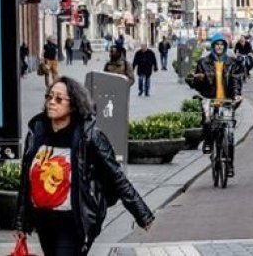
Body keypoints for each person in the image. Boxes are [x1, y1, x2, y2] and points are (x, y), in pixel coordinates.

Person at [15, 77, 154, 254]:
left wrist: (142, 214)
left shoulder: (88, 135)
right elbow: (25, 181)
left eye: (59, 99)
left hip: (74, 221)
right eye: (49, 97)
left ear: (73, 105)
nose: (51, 102)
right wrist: (20, 222)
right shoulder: (38, 131)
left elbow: (116, 176)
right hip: (44, 220)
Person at [186, 33, 243, 174]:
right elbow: (195, 85)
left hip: (226, 100)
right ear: (213, 46)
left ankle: (229, 165)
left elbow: (235, 81)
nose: (219, 47)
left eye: (222, 45)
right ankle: (208, 143)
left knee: (229, 134)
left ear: (225, 46)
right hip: (209, 99)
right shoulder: (203, 62)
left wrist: (236, 95)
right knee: (207, 120)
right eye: (217, 44)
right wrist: (197, 79)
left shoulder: (231, 62)